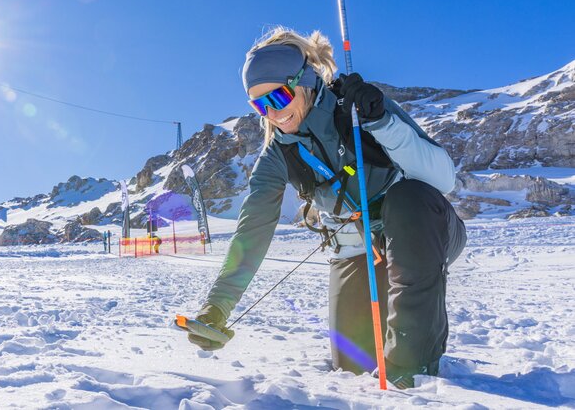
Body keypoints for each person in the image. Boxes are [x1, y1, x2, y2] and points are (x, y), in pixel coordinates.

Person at [189, 27, 466, 389]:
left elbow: (443, 179)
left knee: (407, 199)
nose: (273, 113)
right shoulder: (277, 156)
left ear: (303, 80)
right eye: (260, 105)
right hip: (357, 251)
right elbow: (251, 233)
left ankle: (412, 371)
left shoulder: (357, 108)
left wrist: (380, 121)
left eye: (279, 96)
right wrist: (217, 308)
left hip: (423, 229)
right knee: (354, 365)